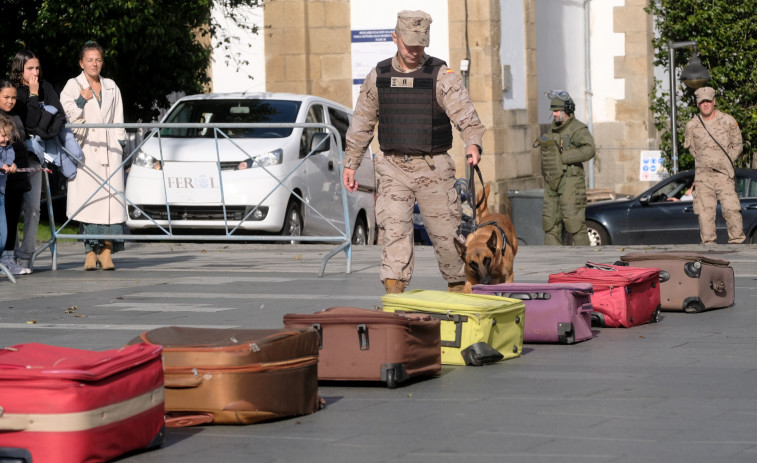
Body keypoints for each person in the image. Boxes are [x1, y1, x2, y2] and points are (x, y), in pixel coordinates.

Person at [341, 10, 485, 294]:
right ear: (395, 38)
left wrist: (472, 142)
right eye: (409, 45)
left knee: (447, 238)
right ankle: (395, 302)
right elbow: (362, 122)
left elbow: (466, 115)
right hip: (393, 168)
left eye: (421, 45)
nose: (415, 51)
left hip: (433, 169)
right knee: (395, 233)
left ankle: (461, 297)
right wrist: (351, 163)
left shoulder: (441, 75)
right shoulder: (379, 76)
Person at [10, 50, 83, 271]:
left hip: (36, 157)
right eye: (30, 68)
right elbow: (30, 124)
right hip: (13, 156)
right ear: (19, 69)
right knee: (12, 208)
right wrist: (34, 99)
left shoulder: (47, 87)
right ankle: (9, 254)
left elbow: (58, 118)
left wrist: (41, 124)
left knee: (33, 208)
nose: (35, 72)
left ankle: (26, 255)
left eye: (37, 68)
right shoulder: (13, 92)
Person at [60, 41, 127, 270]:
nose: (94, 63)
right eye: (89, 59)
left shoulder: (111, 86)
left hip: (110, 150)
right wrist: (82, 99)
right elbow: (67, 114)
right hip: (86, 149)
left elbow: (118, 117)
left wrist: (121, 140)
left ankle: (107, 251)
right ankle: (90, 251)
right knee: (89, 202)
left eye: (98, 59)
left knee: (111, 202)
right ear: (81, 62)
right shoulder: (73, 84)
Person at [684, 86, 745, 244]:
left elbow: (738, 145)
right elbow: (692, 149)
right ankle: (709, 246)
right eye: (702, 102)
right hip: (704, 177)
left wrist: (725, 161)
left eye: (708, 101)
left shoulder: (728, 121)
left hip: (724, 175)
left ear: (714, 101)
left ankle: (737, 242)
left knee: (731, 209)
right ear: (698, 104)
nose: (705, 104)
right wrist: (705, 161)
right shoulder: (692, 125)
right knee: (705, 213)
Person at [538, 90, 596, 246]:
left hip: (571, 180)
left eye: (557, 111)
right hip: (552, 180)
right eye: (553, 111)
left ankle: (583, 260)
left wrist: (564, 157)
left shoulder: (578, 129)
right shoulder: (552, 130)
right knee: (550, 222)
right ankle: (552, 261)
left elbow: (589, 149)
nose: (554, 114)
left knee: (574, 222)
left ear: (566, 111)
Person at [0, 80, 32, 275]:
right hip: (2, 181)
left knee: (12, 219)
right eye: (6, 97)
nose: (10, 101)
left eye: (13, 97)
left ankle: (8, 259)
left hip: (17, 177)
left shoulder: (18, 115)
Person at [0, 113, 19, 261]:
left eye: (8, 135)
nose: (6, 139)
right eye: (2, 135)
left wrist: (12, 166)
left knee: (3, 235)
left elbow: (9, 162)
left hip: (1, 194)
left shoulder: (8, 148)